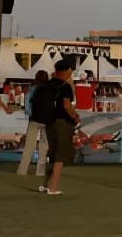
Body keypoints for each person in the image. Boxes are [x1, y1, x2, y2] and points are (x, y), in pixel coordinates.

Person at [43, 60, 80, 195]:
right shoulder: (65, 86)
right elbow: (66, 106)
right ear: (67, 70)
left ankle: (46, 184)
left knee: (52, 153)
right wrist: (75, 117)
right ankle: (53, 186)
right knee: (60, 155)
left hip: (48, 122)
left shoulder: (48, 85)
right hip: (62, 122)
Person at [16, 70, 50, 177]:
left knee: (29, 146)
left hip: (34, 120)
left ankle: (22, 170)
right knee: (44, 148)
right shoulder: (51, 90)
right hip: (47, 121)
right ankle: (40, 172)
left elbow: (27, 102)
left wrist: (30, 114)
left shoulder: (33, 89)